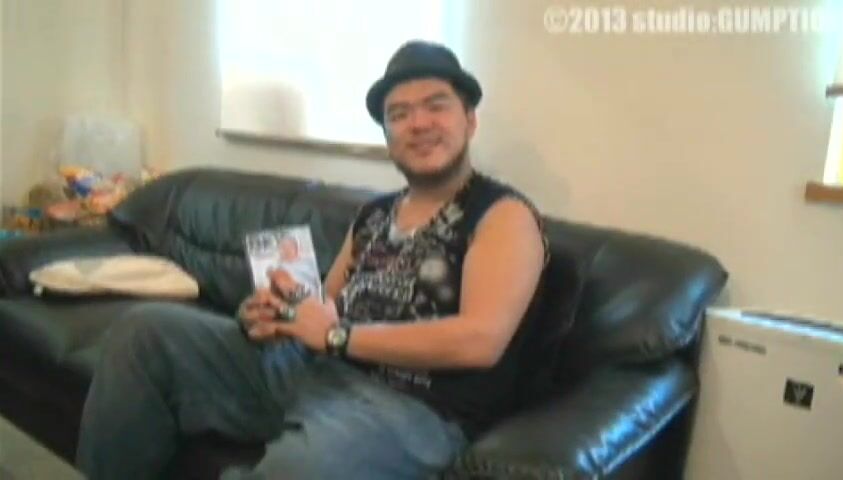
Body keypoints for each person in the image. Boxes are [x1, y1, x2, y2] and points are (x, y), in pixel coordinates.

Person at [76, 40, 547, 479]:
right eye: (399, 114)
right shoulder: (374, 214)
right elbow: (322, 303)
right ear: (388, 135)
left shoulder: (502, 215)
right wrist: (272, 316)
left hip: (412, 409)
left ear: (470, 120)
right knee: (145, 332)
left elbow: (479, 340)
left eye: (436, 105)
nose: (419, 123)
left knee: (298, 468)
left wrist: (336, 336)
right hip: (313, 369)